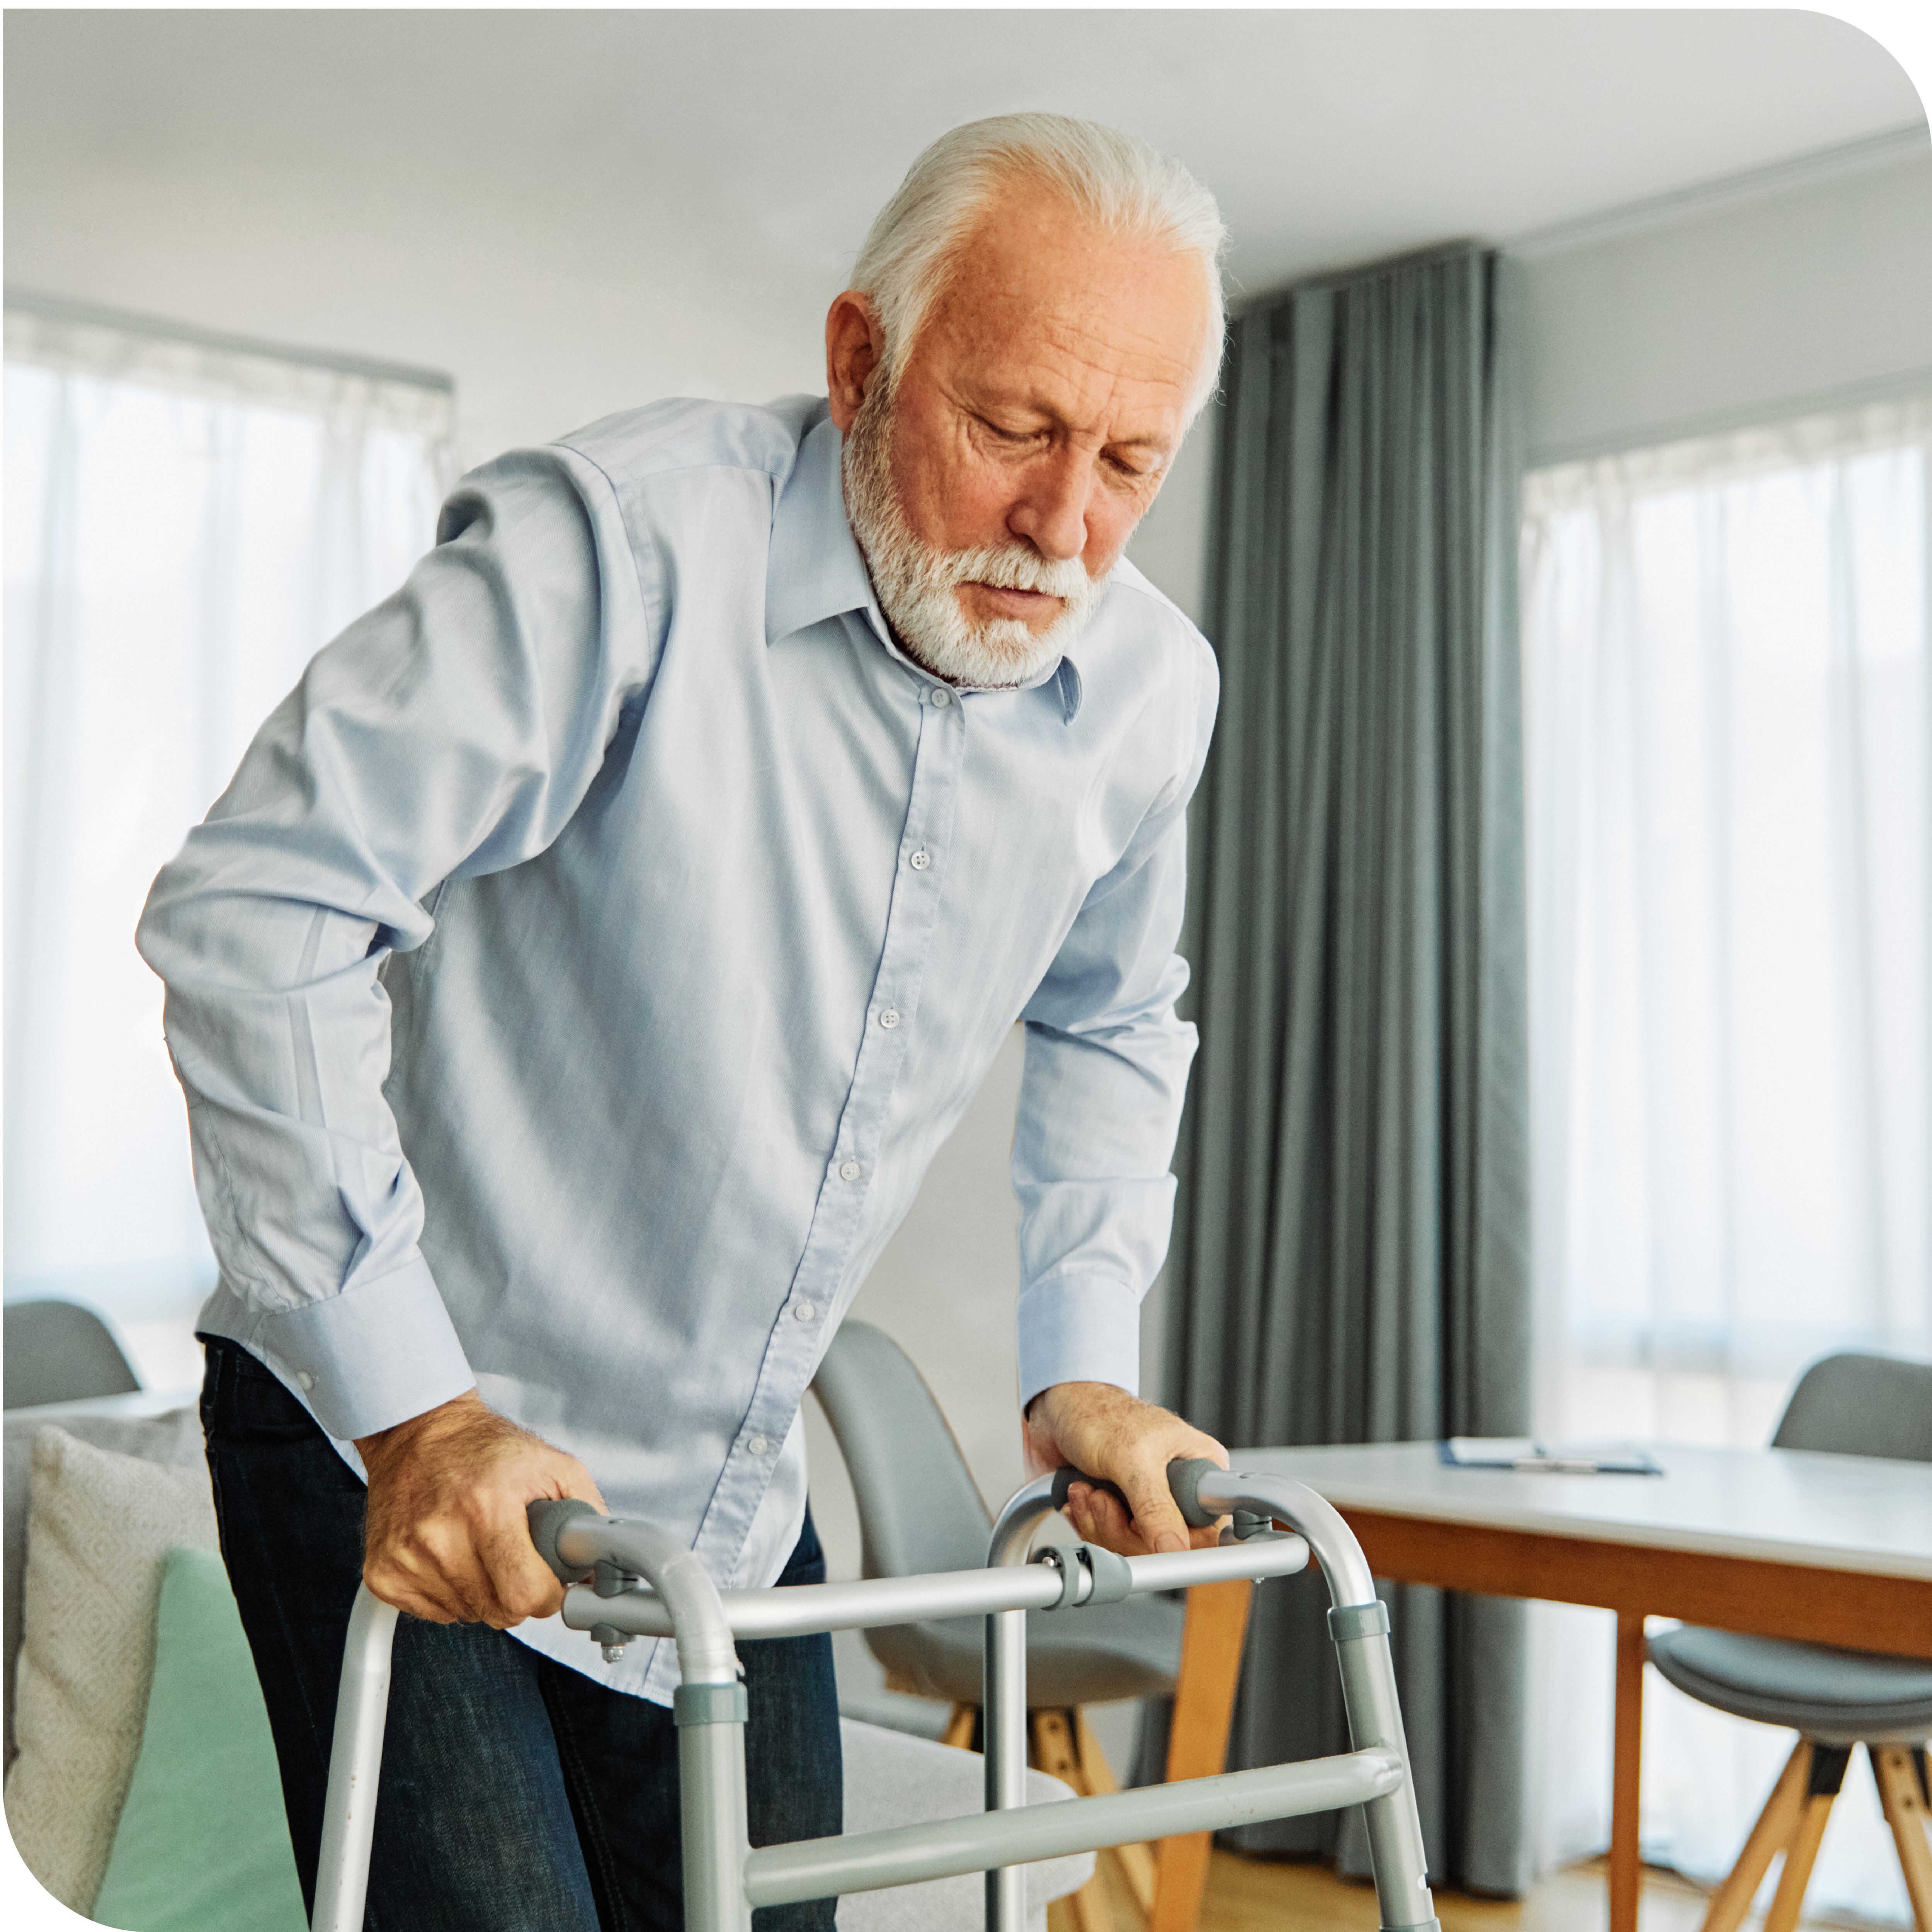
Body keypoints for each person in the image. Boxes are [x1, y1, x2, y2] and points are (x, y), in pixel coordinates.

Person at [138, 111, 1230, 1930]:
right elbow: (257, 905)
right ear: (858, 359)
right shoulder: (619, 550)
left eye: (1131, 458)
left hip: (726, 1496)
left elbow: (1119, 1017)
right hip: (404, 1430)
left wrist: (1082, 1357)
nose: (1064, 527)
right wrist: (420, 1414)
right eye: (1014, 429)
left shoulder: (1144, 687)